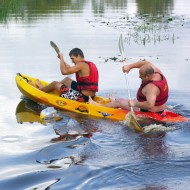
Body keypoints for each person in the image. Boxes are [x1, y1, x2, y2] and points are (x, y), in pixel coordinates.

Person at [89, 60, 168, 113]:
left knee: (119, 101)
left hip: (150, 110)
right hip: (159, 106)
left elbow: (149, 105)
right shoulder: (155, 70)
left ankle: (97, 105)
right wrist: (130, 66)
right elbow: (145, 63)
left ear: (148, 76)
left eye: (141, 76)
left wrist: (134, 104)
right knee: (128, 101)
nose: (139, 77)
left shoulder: (151, 87)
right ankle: (114, 103)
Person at [32, 48, 99, 102]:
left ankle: (39, 90)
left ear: (78, 56)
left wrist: (62, 57)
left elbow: (64, 72)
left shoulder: (81, 64)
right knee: (66, 80)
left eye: (73, 59)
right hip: (90, 96)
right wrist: (61, 59)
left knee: (54, 83)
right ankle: (45, 88)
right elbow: (70, 68)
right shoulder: (87, 64)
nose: (72, 61)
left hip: (83, 98)